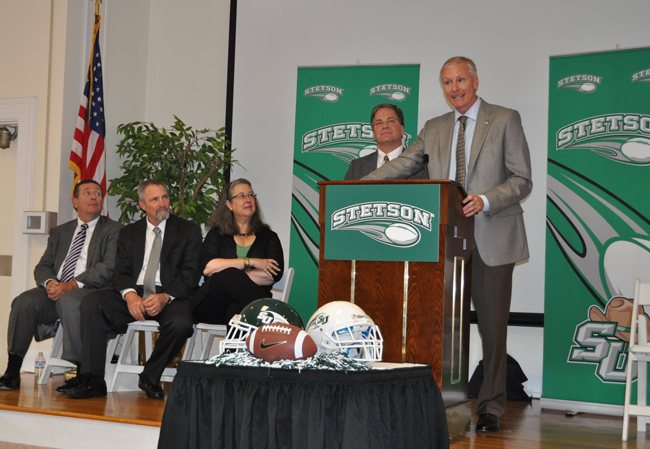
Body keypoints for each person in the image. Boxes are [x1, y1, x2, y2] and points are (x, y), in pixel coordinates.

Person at [362, 56, 532, 433]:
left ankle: (490, 407)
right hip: (444, 242)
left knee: (492, 327)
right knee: (441, 328)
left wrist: (485, 199)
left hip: (492, 235)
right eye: (447, 82)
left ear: (474, 80)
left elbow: (522, 180)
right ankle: (441, 402)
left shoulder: (505, 118)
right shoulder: (435, 127)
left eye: (460, 80)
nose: (454, 88)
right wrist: (361, 185)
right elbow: (405, 163)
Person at [63, 179, 202, 400]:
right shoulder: (129, 233)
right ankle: (94, 380)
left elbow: (191, 273)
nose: (162, 203)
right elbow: (121, 271)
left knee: (181, 324)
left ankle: (150, 375)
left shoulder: (188, 231)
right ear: (142, 205)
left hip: (170, 295)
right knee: (92, 302)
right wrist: (129, 295)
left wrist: (165, 296)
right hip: (135, 292)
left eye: (164, 197)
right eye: (154, 199)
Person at [0, 180, 121, 391]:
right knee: (24, 302)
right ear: (75, 201)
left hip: (91, 291)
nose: (94, 196)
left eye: (98, 193)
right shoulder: (60, 232)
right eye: (87, 193)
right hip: (57, 290)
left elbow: (108, 267)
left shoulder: (113, 230)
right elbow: (43, 266)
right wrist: (50, 283)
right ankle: (12, 371)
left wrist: (72, 285)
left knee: (69, 299)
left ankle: (83, 372)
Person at [192, 178, 284, 325]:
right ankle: (273, 317)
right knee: (231, 277)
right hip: (213, 306)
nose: (248, 199)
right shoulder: (217, 234)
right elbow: (208, 268)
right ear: (229, 204)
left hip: (244, 307)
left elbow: (273, 274)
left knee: (238, 311)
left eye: (251, 195)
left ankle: (233, 349)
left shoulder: (268, 237)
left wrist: (227, 277)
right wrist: (251, 262)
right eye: (241, 196)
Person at [344, 103, 425, 180]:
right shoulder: (357, 166)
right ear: (373, 133)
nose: (385, 126)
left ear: (402, 129)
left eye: (391, 121)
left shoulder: (420, 165)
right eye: (379, 123)